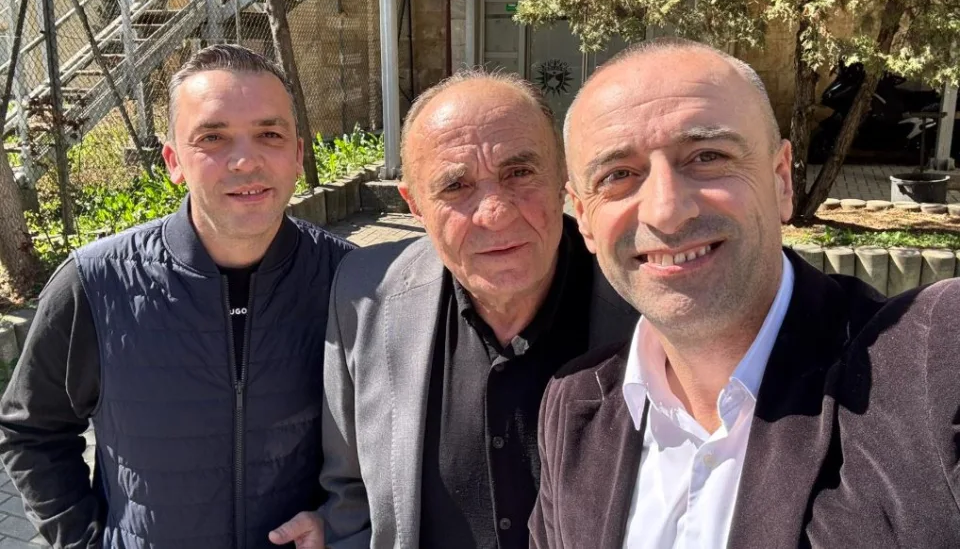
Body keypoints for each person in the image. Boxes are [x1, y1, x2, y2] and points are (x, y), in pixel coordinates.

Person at [529, 38, 960, 549]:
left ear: (781, 182)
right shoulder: (573, 408)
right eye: (618, 175)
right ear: (584, 219)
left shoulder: (929, 363)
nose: (666, 211)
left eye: (707, 156)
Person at [0, 45, 354, 549]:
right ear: (174, 161)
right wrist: (84, 541)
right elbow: (32, 431)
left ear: (297, 154)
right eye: (212, 137)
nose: (245, 160)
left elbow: (394, 436)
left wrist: (339, 521)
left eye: (269, 135)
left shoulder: (350, 282)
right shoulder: (96, 284)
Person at [317, 70, 637, 549]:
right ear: (415, 205)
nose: (495, 213)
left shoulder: (642, 303)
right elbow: (349, 491)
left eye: (519, 173)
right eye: (455, 186)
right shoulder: (365, 295)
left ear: (562, 177)